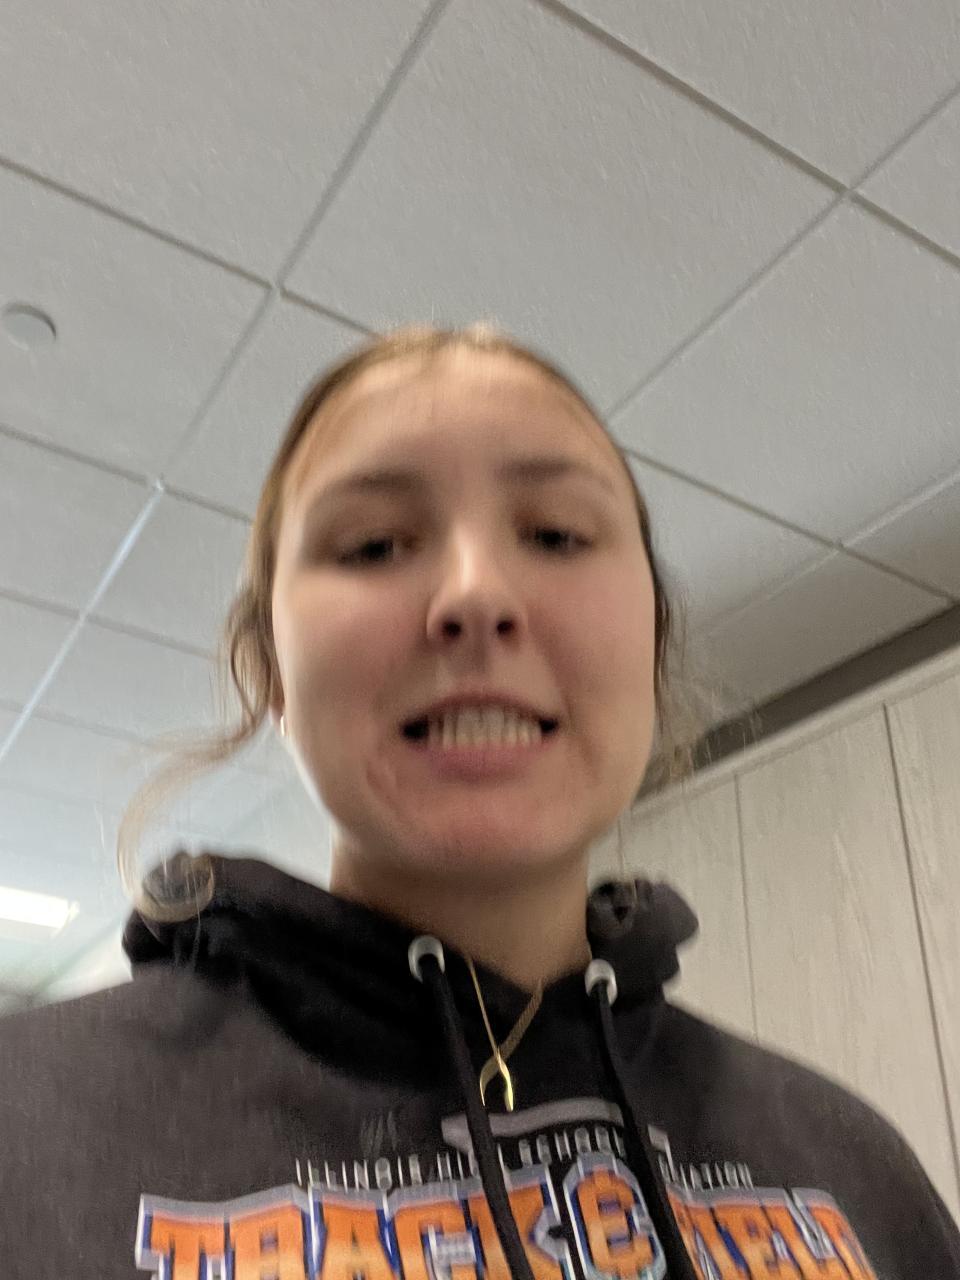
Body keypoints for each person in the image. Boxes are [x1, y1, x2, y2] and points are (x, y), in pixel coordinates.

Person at [0, 324, 956, 1279]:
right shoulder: (27, 1126)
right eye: (374, 545)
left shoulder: (856, 1168)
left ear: (651, 641)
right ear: (274, 672)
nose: (475, 594)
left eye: (556, 535)